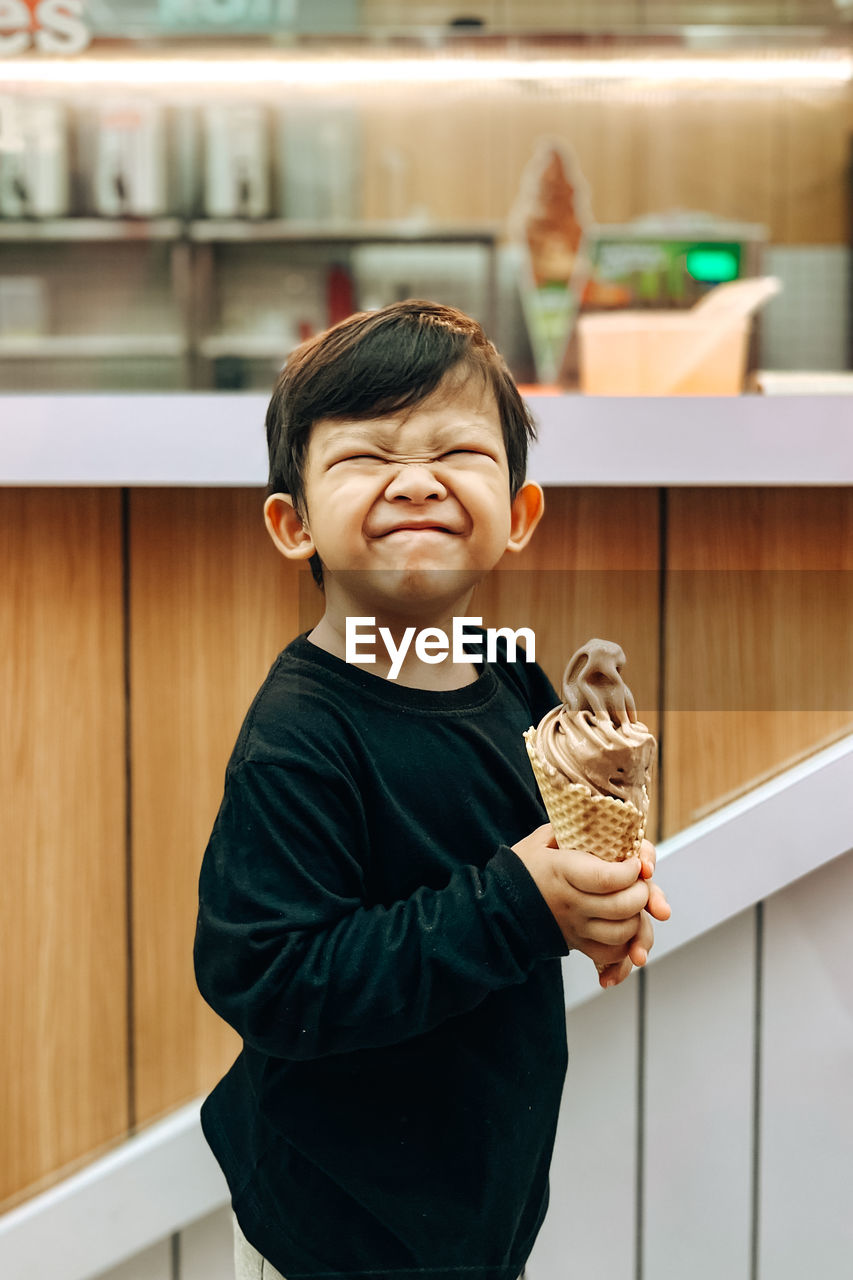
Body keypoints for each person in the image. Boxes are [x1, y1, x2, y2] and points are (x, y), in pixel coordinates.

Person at [194, 300, 670, 1280]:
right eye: (366, 458)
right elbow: (272, 980)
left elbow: (542, 865)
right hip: (333, 1220)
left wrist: (602, 894)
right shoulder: (298, 737)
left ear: (520, 513)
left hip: (471, 1192)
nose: (416, 480)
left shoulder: (514, 676)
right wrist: (517, 901)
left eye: (457, 452)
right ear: (292, 524)